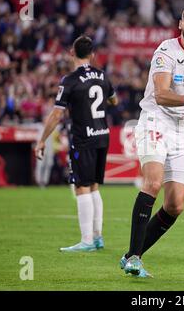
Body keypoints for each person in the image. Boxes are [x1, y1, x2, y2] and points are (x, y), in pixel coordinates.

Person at [120, 0, 184, 278]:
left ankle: (129, 256)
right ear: (180, 24)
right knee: (153, 182)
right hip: (155, 119)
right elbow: (161, 94)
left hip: (182, 129)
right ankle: (136, 258)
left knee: (176, 204)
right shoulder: (165, 50)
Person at [35, 36, 118, 252]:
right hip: (102, 136)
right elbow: (114, 100)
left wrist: (42, 140)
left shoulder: (70, 80)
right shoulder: (102, 75)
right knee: (94, 187)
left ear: (72, 52)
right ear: (92, 55)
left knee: (81, 187)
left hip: (83, 138)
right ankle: (98, 238)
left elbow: (55, 115)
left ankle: (87, 241)